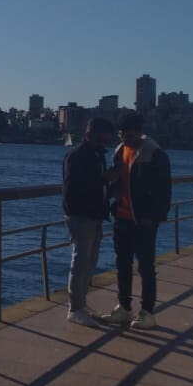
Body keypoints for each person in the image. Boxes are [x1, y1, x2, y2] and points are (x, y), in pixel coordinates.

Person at [100, 112, 172, 330]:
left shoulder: (155, 153)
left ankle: (147, 311)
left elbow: (164, 191)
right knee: (122, 265)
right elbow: (119, 183)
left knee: (146, 267)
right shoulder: (119, 151)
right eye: (123, 133)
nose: (126, 137)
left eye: (130, 133)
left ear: (140, 132)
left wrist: (154, 216)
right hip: (121, 217)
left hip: (143, 220)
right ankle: (124, 307)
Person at [62, 117, 119, 327]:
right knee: (80, 262)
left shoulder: (97, 155)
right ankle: (75, 308)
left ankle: (81, 303)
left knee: (89, 262)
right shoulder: (76, 156)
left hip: (94, 214)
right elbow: (73, 188)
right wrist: (105, 180)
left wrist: (110, 189)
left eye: (106, 140)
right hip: (80, 215)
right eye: (100, 139)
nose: (103, 143)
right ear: (89, 135)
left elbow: (97, 186)